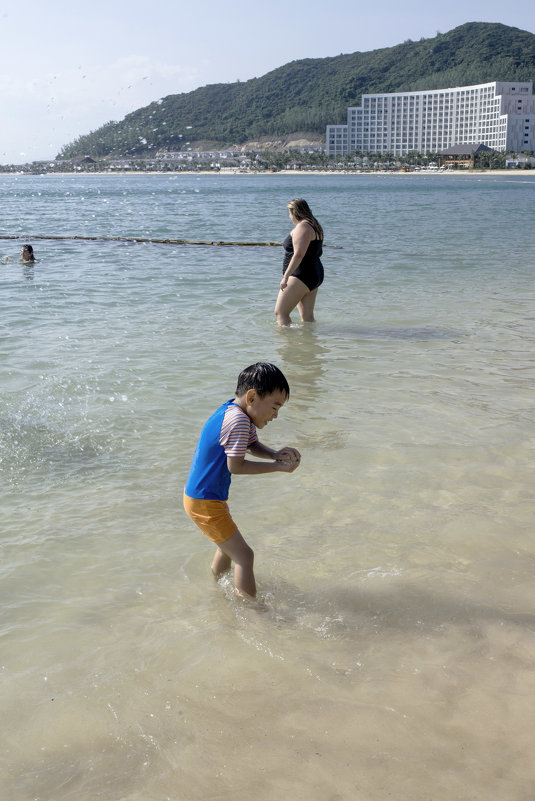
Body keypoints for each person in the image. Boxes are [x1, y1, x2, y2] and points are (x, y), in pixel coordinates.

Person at [183, 362, 301, 599]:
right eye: (275, 407)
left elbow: (250, 444)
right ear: (252, 397)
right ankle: (251, 611)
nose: (275, 415)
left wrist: (274, 454)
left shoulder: (233, 411)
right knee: (245, 556)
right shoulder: (238, 421)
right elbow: (235, 466)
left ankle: (218, 592)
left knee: (227, 548)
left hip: (202, 498)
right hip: (205, 501)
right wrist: (276, 468)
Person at [274, 198, 324, 326]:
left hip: (301, 274)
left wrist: (285, 277)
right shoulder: (314, 225)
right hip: (313, 274)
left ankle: (287, 344)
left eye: (289, 214)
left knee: (281, 313)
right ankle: (308, 343)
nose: (290, 218)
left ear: (295, 212)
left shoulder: (303, 227)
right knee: (307, 318)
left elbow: (298, 255)